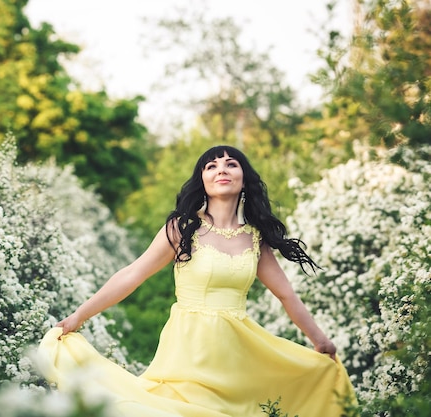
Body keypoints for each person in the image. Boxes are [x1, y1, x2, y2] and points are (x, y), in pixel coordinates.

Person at [38, 145, 356, 417]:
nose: (222, 170)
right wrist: (80, 315)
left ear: (244, 179)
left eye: (231, 164)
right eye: (212, 165)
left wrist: (320, 341)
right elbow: (132, 275)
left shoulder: (255, 239)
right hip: (188, 348)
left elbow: (287, 296)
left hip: (236, 355)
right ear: (202, 180)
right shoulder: (182, 228)